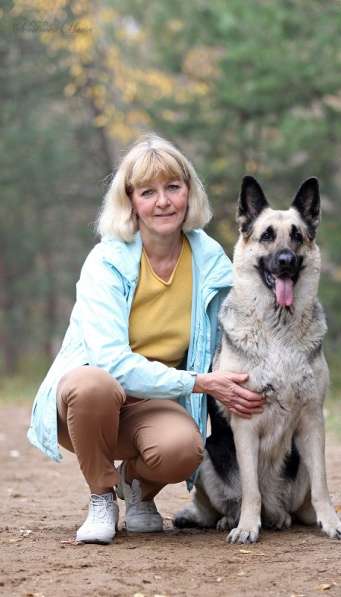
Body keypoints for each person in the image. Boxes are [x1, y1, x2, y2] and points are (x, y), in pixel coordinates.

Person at [27, 133, 266, 544]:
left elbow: (240, 322)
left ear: (189, 193)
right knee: (93, 383)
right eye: (148, 192)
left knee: (184, 449)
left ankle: (137, 488)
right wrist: (198, 382)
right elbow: (110, 362)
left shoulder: (209, 260)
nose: (163, 202)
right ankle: (102, 496)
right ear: (130, 201)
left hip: (157, 402)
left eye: (173, 187)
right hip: (89, 406)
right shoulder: (106, 261)